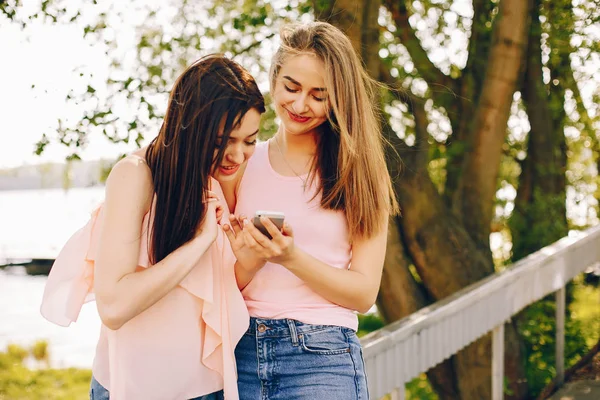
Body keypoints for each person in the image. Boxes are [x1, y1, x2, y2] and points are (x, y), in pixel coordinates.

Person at [40, 54, 265, 400]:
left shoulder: (221, 178)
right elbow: (113, 307)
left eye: (249, 141)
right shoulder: (136, 175)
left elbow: (213, 292)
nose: (238, 155)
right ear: (191, 126)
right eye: (223, 141)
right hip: (136, 389)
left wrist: (251, 260)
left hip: (211, 389)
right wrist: (200, 241)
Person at [222, 22, 399, 400]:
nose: (301, 105)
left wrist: (290, 257)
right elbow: (218, 283)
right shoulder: (241, 163)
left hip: (321, 355)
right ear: (274, 78)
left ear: (341, 98)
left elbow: (364, 293)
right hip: (238, 351)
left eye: (320, 95)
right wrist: (248, 261)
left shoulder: (361, 174)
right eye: (291, 87)